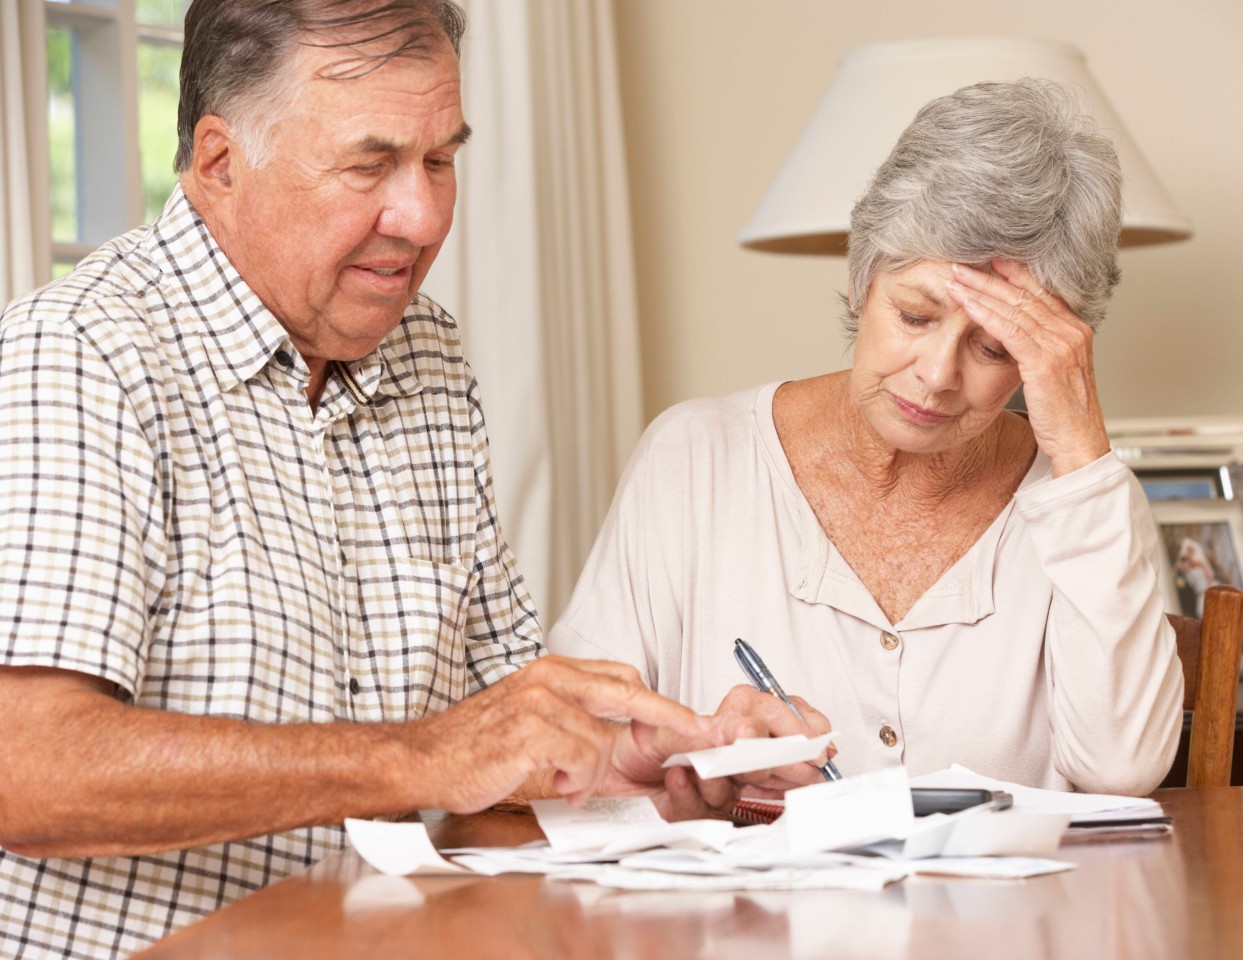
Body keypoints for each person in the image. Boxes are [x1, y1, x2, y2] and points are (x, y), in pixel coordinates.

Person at [0, 2, 818, 956]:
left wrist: (624, 757)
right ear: (221, 164)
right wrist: (419, 759)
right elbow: (26, 767)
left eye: (440, 160)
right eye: (369, 165)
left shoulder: (423, 350)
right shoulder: (79, 356)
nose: (423, 217)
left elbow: (489, 738)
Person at [550, 79, 1185, 797]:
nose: (937, 375)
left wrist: (1077, 450)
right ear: (862, 279)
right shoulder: (695, 460)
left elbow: (1123, 771)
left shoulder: (1085, 500)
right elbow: (569, 745)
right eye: (914, 317)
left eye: (996, 349)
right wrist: (687, 757)